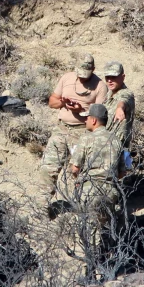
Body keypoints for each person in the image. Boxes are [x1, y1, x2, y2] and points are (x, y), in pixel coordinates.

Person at [68, 103, 125, 275]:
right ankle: (110, 267)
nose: (85, 120)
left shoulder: (86, 138)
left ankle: (90, 271)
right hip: (110, 191)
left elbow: (74, 168)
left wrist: (79, 178)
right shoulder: (115, 140)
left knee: (89, 231)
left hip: (90, 190)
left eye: (87, 118)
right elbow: (122, 172)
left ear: (93, 120)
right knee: (108, 229)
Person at [42, 53, 108, 189]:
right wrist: (63, 103)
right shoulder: (66, 78)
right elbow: (51, 102)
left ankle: (79, 206)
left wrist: (81, 110)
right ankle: (43, 205)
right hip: (61, 129)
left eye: (86, 73)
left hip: (82, 133)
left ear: (93, 69)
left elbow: (100, 115)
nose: (82, 77)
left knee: (77, 172)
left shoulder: (100, 86)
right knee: (48, 169)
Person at [103, 61, 135, 151]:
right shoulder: (109, 94)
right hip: (105, 143)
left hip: (118, 145)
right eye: (107, 77)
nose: (109, 80)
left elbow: (124, 100)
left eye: (113, 77)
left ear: (122, 77)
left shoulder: (126, 93)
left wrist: (119, 108)